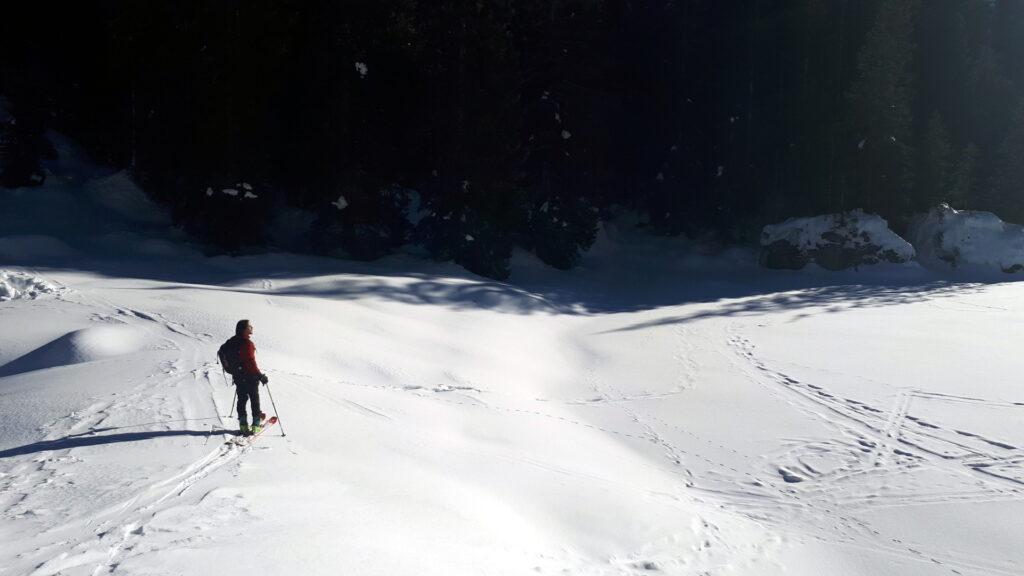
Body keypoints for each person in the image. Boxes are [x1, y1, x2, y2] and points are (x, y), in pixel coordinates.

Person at [223, 319, 270, 436]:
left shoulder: (231, 341)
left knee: (242, 400)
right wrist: (260, 376)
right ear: (244, 329)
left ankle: (243, 426)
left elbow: (224, 352)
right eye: (249, 326)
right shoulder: (247, 344)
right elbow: (250, 362)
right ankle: (255, 426)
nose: (251, 328)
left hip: (238, 377)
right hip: (250, 377)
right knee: (254, 400)